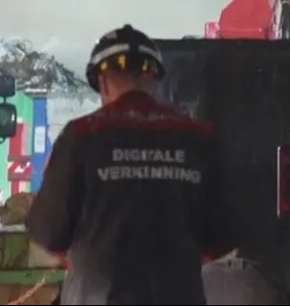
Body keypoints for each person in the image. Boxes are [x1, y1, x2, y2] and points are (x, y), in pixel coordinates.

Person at [26, 24, 235, 304]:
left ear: (103, 82)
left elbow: (49, 232)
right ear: (154, 80)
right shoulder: (199, 138)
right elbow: (221, 237)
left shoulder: (82, 136)